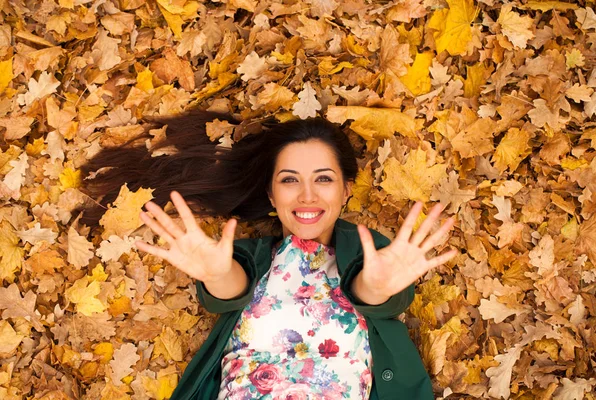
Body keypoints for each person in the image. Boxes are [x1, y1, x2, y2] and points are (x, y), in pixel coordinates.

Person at [79, 111, 457, 400]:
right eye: (290, 179)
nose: (307, 195)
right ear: (272, 196)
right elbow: (232, 284)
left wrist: (377, 289)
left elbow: (372, 285)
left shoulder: (367, 250)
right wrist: (214, 275)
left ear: (346, 190)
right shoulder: (253, 257)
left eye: (323, 178)